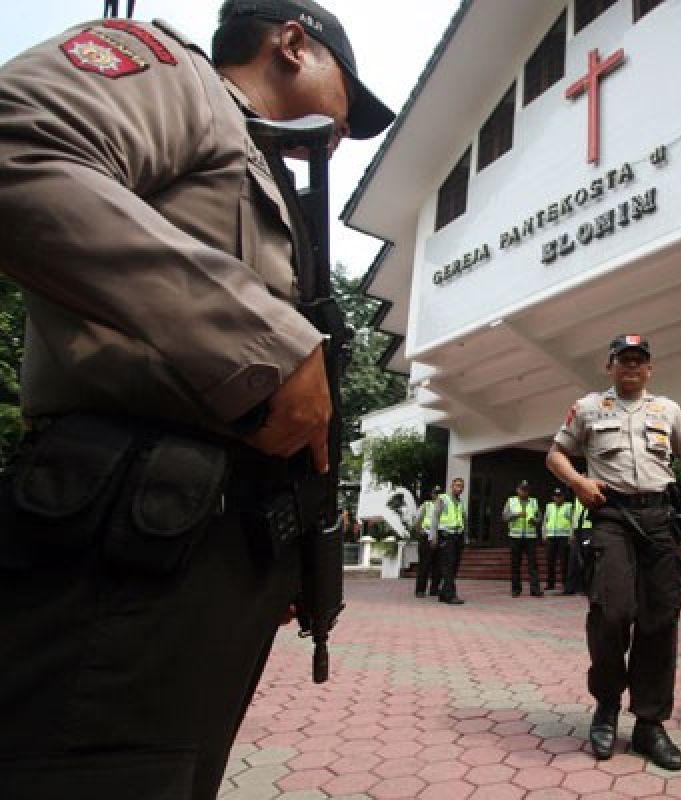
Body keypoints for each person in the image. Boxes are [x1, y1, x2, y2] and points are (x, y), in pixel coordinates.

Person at [0, 2, 394, 797]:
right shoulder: (172, 74)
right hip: (124, 532)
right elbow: (18, 147)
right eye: (347, 100)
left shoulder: (260, 167)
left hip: (202, 548)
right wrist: (264, 347)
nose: (346, 133)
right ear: (291, 44)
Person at [546, 334, 681, 771]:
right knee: (612, 612)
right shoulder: (590, 407)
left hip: (659, 520)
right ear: (609, 366)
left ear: (649, 369)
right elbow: (556, 455)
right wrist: (578, 483)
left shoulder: (667, 410)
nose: (632, 366)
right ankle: (607, 706)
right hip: (611, 516)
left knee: (660, 618)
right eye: (623, 359)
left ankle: (650, 723)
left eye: (639, 360)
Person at [503, 479, 543, 597]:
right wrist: (516, 515)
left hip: (530, 537)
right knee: (515, 564)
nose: (524, 492)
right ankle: (516, 590)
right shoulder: (511, 501)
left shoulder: (534, 502)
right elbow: (504, 517)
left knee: (533, 565)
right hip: (515, 536)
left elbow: (540, 518)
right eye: (522, 489)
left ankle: (535, 590)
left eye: (526, 490)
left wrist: (534, 521)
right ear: (517, 490)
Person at [431, 478, 468, 604]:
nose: (460, 488)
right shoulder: (443, 499)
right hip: (446, 536)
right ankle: (450, 595)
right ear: (452, 486)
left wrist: (465, 537)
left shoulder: (460, 502)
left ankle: (443, 593)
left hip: (458, 537)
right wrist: (433, 536)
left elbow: (464, 520)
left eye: (462, 486)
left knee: (455, 565)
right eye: (457, 485)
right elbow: (435, 517)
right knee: (449, 566)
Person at [412, 485, 442, 598]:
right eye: (435, 493)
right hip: (426, 536)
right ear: (432, 494)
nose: (437, 495)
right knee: (424, 565)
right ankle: (420, 590)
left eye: (439, 494)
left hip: (439, 537)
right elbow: (417, 520)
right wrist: (421, 532)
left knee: (438, 566)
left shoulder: (444, 507)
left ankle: (434, 589)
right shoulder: (427, 505)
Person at [542, 487, 573, 592]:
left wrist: (571, 535)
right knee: (550, 561)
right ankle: (550, 584)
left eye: (560, 496)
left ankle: (565, 583)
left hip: (563, 537)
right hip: (551, 537)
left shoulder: (568, 506)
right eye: (556, 496)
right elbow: (545, 521)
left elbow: (573, 522)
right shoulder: (549, 506)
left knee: (564, 562)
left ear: (563, 497)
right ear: (553, 497)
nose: (558, 498)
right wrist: (544, 534)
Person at [562, 490, 593, 596]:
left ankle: (585, 587)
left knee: (586, 559)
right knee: (573, 559)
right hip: (577, 530)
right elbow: (574, 516)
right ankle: (570, 588)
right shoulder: (576, 497)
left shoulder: (591, 493)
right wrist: (572, 532)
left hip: (588, 529)